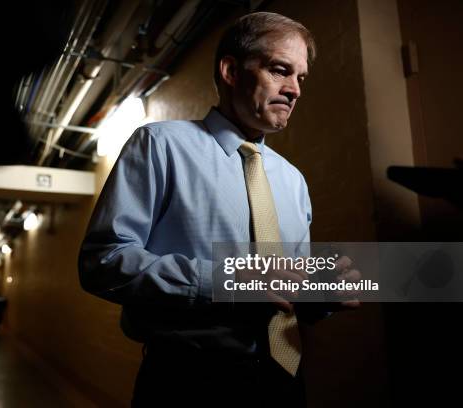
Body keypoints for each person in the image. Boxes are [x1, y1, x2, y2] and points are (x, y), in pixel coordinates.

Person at [79, 12, 359, 407]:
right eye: (281, 70)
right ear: (230, 70)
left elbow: (286, 288)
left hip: (285, 381)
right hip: (188, 384)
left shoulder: (293, 180)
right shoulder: (160, 145)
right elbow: (102, 262)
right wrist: (223, 280)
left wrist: (317, 296)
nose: (295, 90)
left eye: (301, 77)